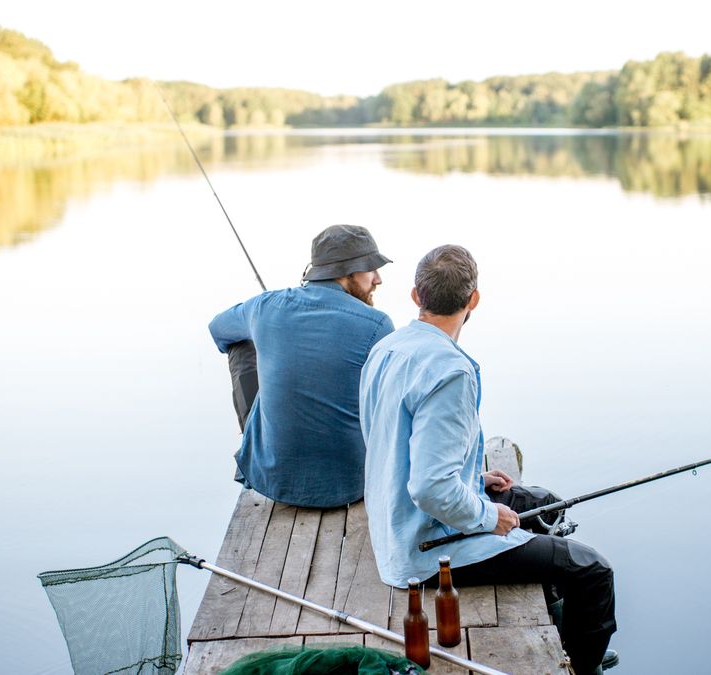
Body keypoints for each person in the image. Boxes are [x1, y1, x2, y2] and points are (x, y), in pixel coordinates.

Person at [359, 245, 617, 675]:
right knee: (592, 569)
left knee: (545, 502)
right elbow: (429, 488)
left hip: (393, 522)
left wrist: (472, 475)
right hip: (426, 550)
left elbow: (399, 444)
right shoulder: (450, 372)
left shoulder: (387, 348)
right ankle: (583, 668)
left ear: (415, 296)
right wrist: (485, 515)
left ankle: (570, 633)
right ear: (473, 299)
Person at [209, 224, 394, 508]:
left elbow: (219, 329)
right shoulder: (379, 324)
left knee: (241, 342)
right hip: (351, 484)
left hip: (272, 479)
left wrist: (270, 335)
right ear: (347, 273)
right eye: (371, 269)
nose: (378, 279)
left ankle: (256, 439)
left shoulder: (265, 306)